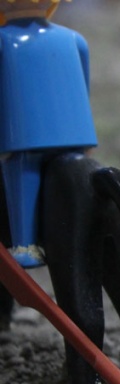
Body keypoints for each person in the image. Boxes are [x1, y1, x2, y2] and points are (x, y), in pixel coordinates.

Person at [0, 0, 97, 267]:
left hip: (25, 135)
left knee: (20, 172)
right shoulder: (75, 39)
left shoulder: (4, 40)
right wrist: (86, 133)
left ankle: (25, 245)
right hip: (75, 132)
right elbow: (84, 88)